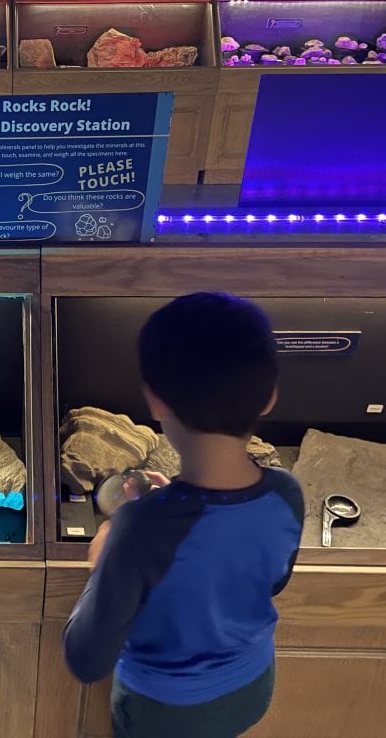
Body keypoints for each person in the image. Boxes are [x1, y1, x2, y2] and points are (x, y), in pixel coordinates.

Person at [63, 292, 304, 738]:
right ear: (269, 397)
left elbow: (86, 659)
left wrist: (103, 559)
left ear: (154, 401)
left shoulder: (141, 528)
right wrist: (175, 506)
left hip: (164, 712)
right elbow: (269, 579)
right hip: (251, 686)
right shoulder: (287, 493)